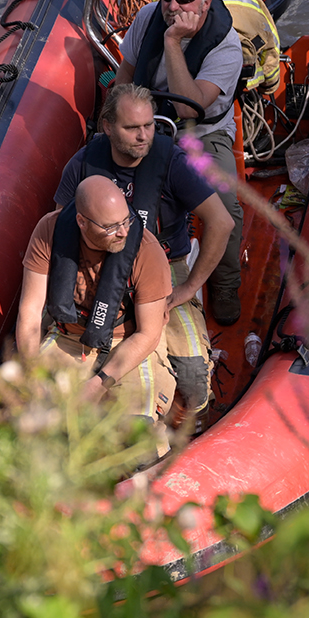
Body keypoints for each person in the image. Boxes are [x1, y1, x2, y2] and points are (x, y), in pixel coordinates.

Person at [54, 84, 232, 411]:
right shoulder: (81, 167)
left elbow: (222, 223)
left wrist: (190, 287)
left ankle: (192, 422)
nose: (143, 136)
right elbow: (58, 230)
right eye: (132, 127)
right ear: (107, 126)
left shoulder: (173, 162)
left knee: (194, 379)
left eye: (149, 125)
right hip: (99, 266)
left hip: (165, 267)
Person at [114, 0, 246, 323]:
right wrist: (110, 125)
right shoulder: (147, 17)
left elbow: (191, 108)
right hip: (147, 117)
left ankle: (224, 283)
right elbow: (125, 76)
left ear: (205, 2)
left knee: (225, 205)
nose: (173, 6)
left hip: (200, 131)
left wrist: (172, 41)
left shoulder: (226, 47)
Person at [16, 174, 174, 426]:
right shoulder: (50, 230)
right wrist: (31, 373)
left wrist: (97, 385)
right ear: (82, 222)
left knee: (136, 438)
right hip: (70, 336)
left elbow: (148, 334)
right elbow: (31, 311)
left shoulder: (146, 250)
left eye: (126, 221)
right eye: (111, 227)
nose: (123, 232)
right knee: (32, 420)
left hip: (129, 342)